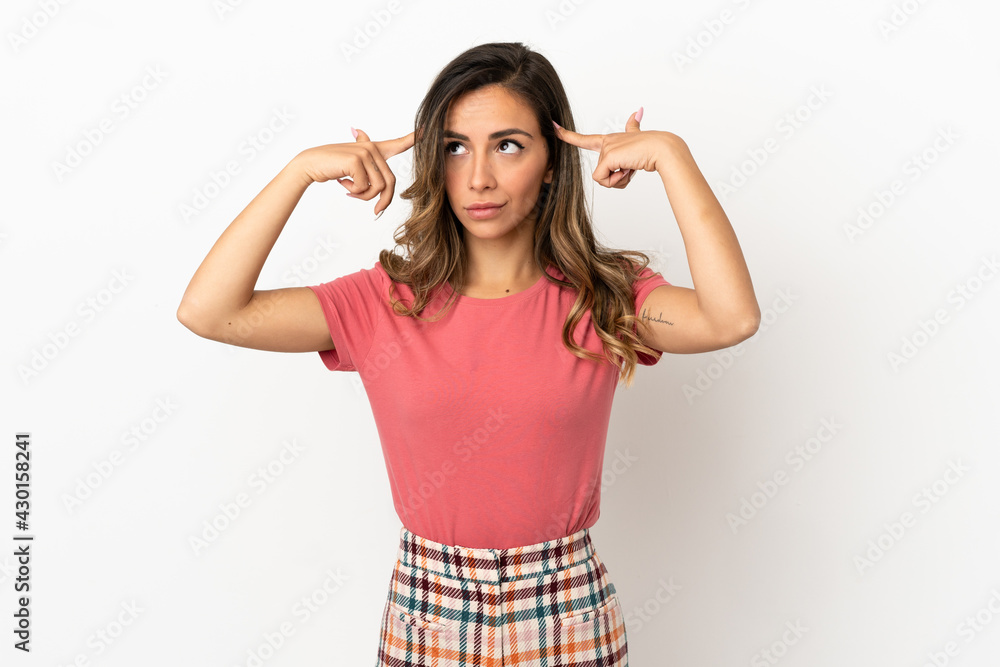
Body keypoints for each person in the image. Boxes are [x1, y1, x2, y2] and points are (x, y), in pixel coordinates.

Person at [178, 41, 759, 666]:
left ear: (552, 164)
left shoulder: (603, 297)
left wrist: (673, 157)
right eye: (456, 147)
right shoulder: (384, 302)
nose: (478, 176)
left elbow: (731, 318)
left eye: (508, 145)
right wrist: (299, 171)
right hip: (428, 609)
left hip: (566, 607)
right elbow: (210, 311)